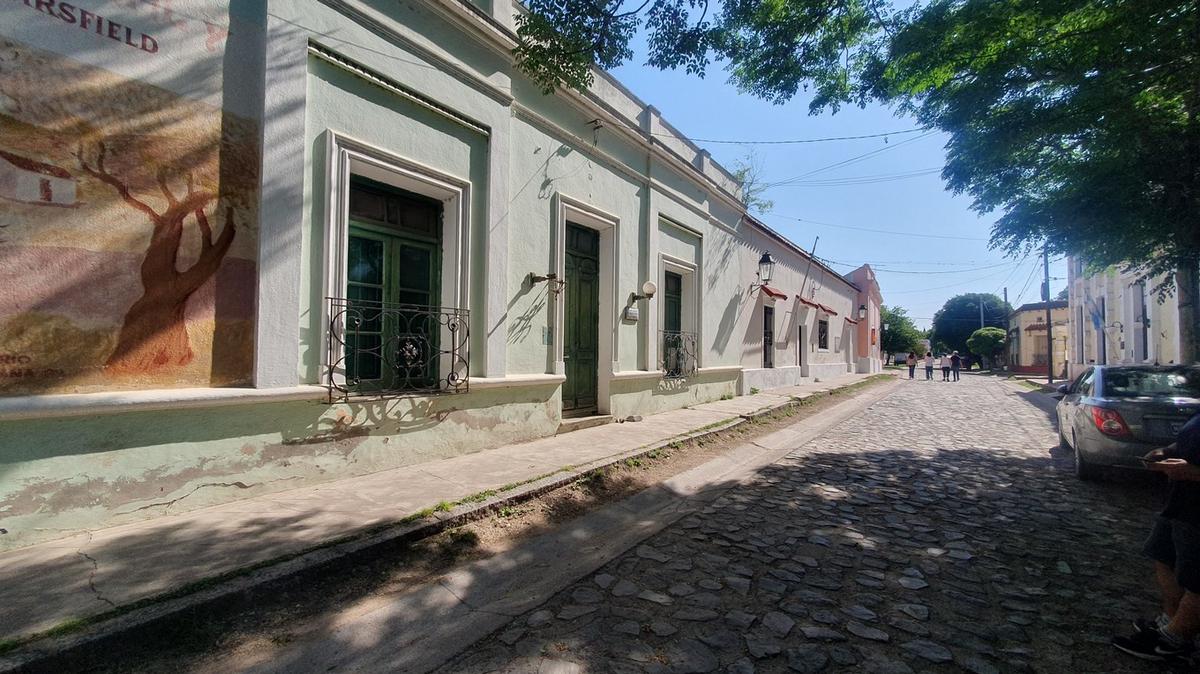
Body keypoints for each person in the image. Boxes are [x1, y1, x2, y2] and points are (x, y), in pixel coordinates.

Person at [1113, 412, 1200, 662]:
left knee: (1197, 581)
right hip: (1180, 502)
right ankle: (1171, 618)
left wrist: (1193, 472)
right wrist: (1167, 451)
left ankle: (1175, 639)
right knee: (1161, 553)